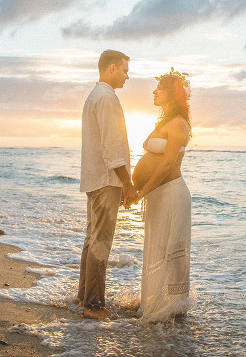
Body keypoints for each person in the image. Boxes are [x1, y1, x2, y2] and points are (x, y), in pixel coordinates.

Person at [130, 68, 192, 321]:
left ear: (171, 94)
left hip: (172, 194)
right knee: (158, 247)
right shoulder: (165, 122)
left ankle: (175, 307)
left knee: (172, 251)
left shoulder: (178, 124)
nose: (154, 91)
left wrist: (140, 192)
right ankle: (155, 302)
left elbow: (167, 165)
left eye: (159, 88)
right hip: (158, 195)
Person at [78, 50, 135, 320]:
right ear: (111, 68)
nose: (127, 75)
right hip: (106, 179)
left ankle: (83, 298)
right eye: (124, 70)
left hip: (95, 178)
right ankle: (94, 305)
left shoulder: (94, 96)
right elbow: (112, 148)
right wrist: (128, 183)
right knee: (100, 242)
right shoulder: (107, 98)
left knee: (91, 240)